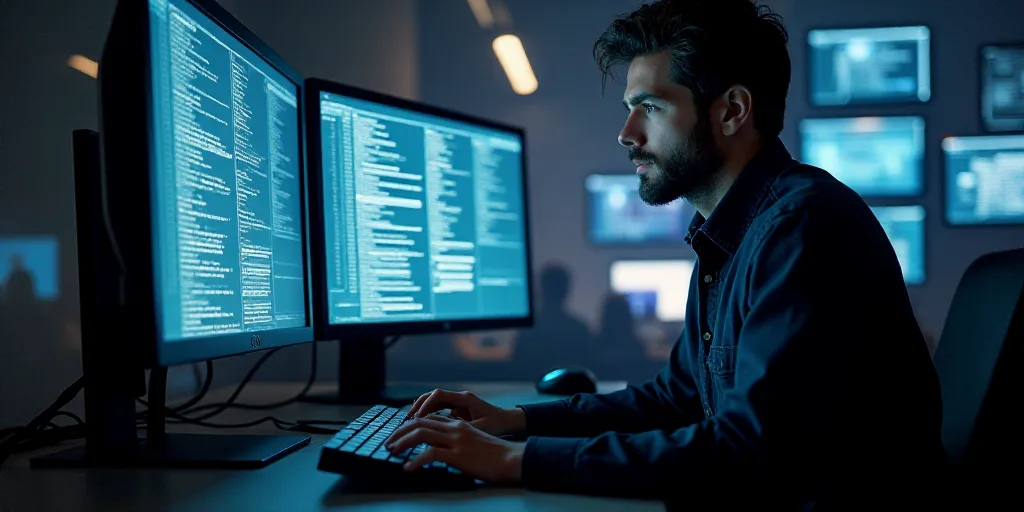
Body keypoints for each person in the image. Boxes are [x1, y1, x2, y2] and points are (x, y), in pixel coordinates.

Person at [385, 0, 945, 507]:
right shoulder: (732, 232)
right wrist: (515, 421)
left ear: (731, 112)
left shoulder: (801, 229)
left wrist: (516, 461)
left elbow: (747, 451)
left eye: (649, 107)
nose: (627, 133)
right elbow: (677, 398)